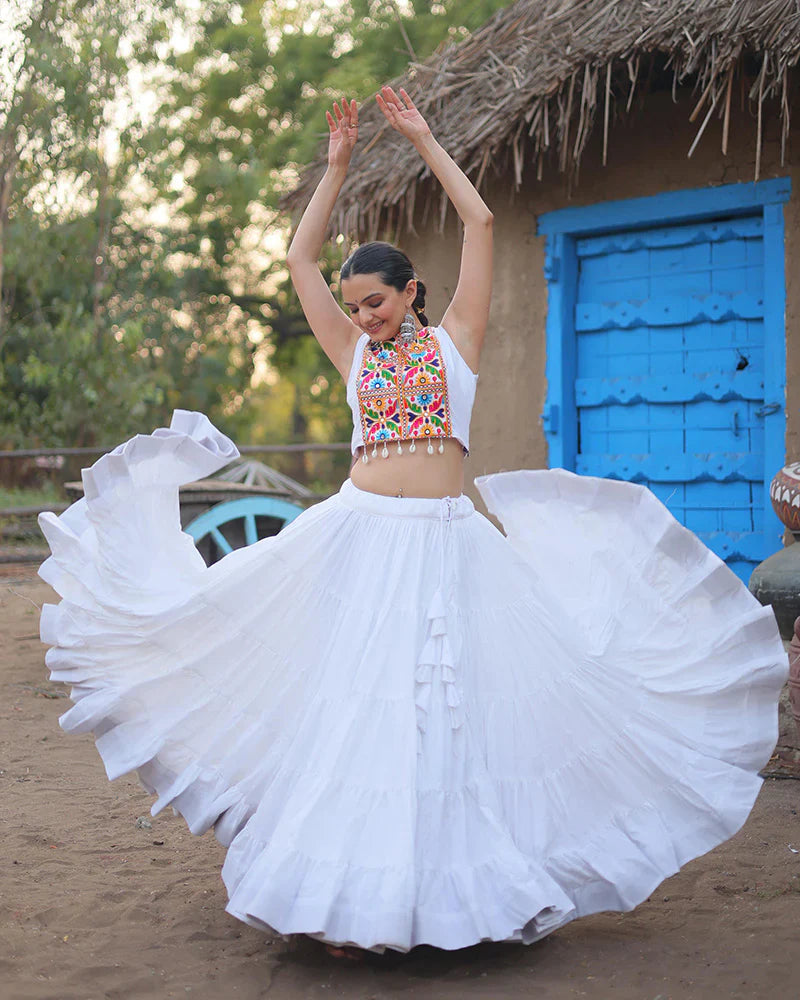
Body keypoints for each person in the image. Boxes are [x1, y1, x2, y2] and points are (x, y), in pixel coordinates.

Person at [38, 86, 788, 959]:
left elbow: (479, 224)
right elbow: (297, 260)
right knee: (362, 713)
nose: (364, 316)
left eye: (377, 302)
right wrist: (337, 169)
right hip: (359, 540)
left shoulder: (455, 343)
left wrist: (425, 139)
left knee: (443, 715)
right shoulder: (355, 356)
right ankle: (346, 906)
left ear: (411, 291)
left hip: (445, 545)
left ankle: (441, 903)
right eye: (354, 306)